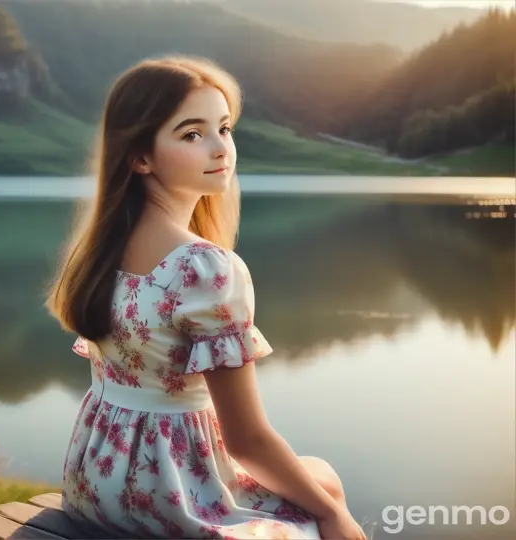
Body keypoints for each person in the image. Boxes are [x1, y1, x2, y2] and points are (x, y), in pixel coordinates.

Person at [44, 55, 367, 540]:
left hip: (95, 480)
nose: (221, 149)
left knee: (317, 476)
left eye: (225, 128)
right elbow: (248, 440)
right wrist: (334, 517)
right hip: (167, 495)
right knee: (328, 497)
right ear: (140, 157)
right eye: (193, 134)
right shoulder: (204, 268)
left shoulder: (97, 250)